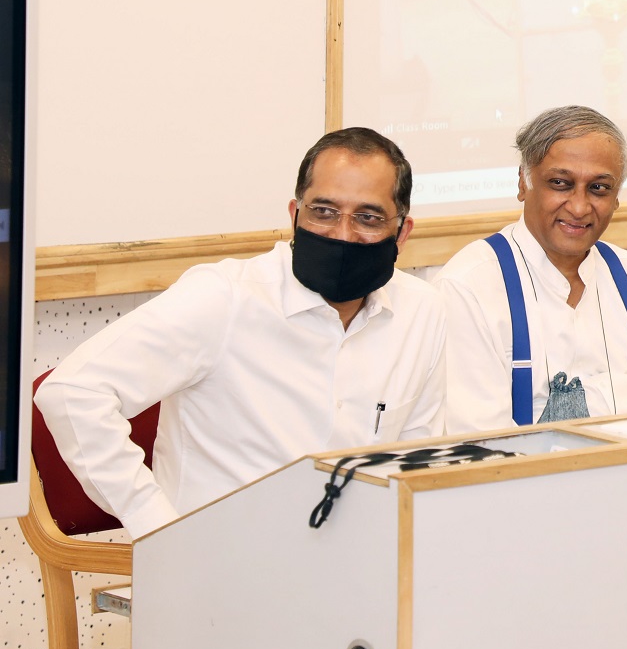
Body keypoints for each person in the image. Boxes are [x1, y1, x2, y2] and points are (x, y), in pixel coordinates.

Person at [35, 128, 447, 539]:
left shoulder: (421, 311)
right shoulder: (223, 299)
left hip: (353, 564)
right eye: (323, 211)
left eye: (368, 218)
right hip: (218, 568)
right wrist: (157, 526)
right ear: (294, 216)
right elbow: (72, 392)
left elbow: (416, 462)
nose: (343, 233)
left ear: (402, 232)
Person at [439, 105, 627, 433]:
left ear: (617, 198)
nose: (579, 207)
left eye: (599, 188)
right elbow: (479, 445)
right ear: (523, 184)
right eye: (561, 183)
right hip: (526, 479)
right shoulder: (468, 287)